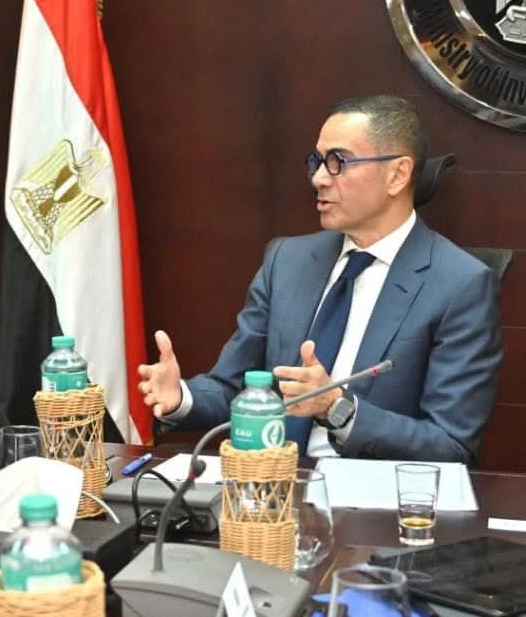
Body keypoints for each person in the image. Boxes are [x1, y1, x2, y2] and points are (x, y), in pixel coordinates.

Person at [137, 95, 501, 463]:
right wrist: (181, 397)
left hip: (369, 492)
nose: (318, 179)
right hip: (272, 482)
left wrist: (337, 408)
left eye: (338, 162)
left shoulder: (460, 284)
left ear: (397, 175)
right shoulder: (287, 261)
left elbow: (451, 444)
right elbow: (236, 387)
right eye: (317, 161)